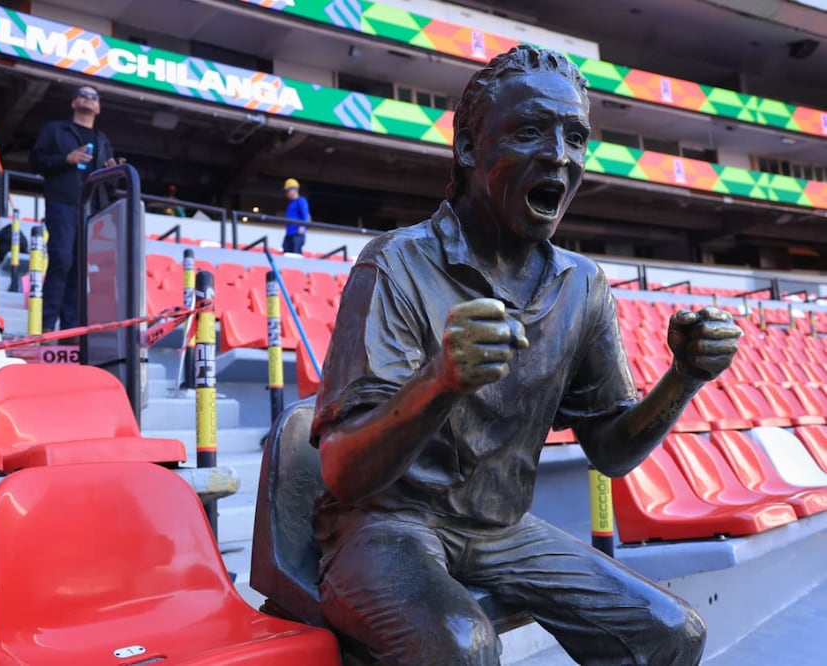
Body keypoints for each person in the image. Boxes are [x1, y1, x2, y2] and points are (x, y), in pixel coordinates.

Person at [311, 45, 741, 666]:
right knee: (462, 645)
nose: (560, 157)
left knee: (672, 634)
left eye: (575, 137)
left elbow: (612, 452)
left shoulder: (582, 285)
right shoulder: (396, 263)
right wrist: (440, 381)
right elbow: (342, 474)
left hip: (501, 529)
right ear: (467, 149)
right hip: (384, 525)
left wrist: (684, 377)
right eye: (532, 131)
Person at [29, 84, 119, 333]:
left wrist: (111, 172)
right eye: (84, 95)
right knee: (61, 259)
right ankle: (46, 324)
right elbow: (35, 161)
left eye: (94, 97)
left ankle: (71, 330)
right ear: (74, 102)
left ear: (98, 107)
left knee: (81, 268)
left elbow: (108, 186)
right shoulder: (55, 130)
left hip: (93, 209)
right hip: (63, 203)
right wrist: (65, 159)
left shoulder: (102, 140)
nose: (89, 99)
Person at [282, 177, 310, 254]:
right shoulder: (290, 203)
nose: (286, 193)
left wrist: (303, 226)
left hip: (297, 234)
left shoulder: (301, 201)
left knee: (295, 254)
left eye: (288, 191)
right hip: (289, 233)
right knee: (286, 252)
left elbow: (306, 216)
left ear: (295, 189)